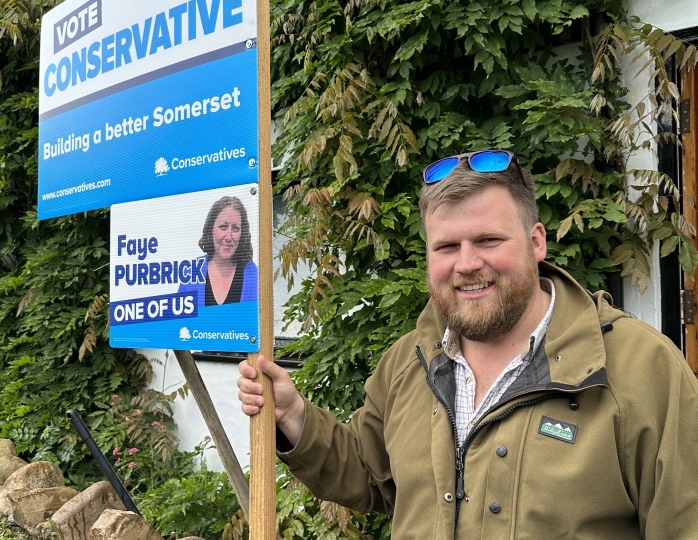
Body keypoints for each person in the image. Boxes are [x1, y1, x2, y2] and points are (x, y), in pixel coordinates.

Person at [236, 150, 698, 539]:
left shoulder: (640, 368)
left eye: (488, 240)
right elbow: (369, 473)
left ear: (536, 242)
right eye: (446, 247)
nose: (467, 263)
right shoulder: (409, 360)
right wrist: (294, 418)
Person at [180, 196, 257, 307]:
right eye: (223, 227)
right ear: (211, 229)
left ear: (242, 233)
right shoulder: (191, 271)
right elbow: (178, 322)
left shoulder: (254, 275)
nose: (228, 237)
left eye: (235, 228)